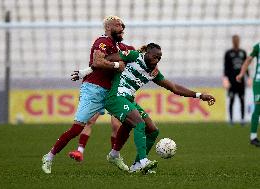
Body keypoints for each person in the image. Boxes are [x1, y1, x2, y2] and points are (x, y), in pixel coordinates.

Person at [92, 43, 216, 173]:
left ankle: (133, 164)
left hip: (128, 99)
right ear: (147, 53)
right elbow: (110, 57)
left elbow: (174, 87)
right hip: (116, 96)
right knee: (139, 123)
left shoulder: (153, 72)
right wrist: (110, 65)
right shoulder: (134, 56)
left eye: (159, 58)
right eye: (154, 57)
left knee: (152, 130)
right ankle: (144, 161)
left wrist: (200, 95)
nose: (156, 60)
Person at [41, 15, 134, 174]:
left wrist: (147, 55)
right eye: (118, 25)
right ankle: (49, 156)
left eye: (123, 25)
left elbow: (137, 54)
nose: (122, 27)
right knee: (77, 128)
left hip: (112, 92)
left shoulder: (121, 47)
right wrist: (117, 64)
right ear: (108, 28)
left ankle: (115, 155)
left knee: (128, 122)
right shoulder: (102, 42)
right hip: (94, 89)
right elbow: (98, 62)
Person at [223, 35, 251, 125]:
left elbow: (246, 66)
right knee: (231, 100)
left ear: (239, 41)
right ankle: (231, 119)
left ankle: (242, 119)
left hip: (241, 81)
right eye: (235, 40)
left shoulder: (243, 52)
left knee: (242, 99)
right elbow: (226, 68)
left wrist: (249, 77)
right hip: (231, 81)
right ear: (232, 41)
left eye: (237, 40)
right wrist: (225, 79)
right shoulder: (228, 53)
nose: (236, 42)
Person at [236, 42, 260, 147]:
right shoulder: (258, 46)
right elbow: (248, 60)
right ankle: (253, 137)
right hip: (259, 82)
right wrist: (241, 73)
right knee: (258, 107)